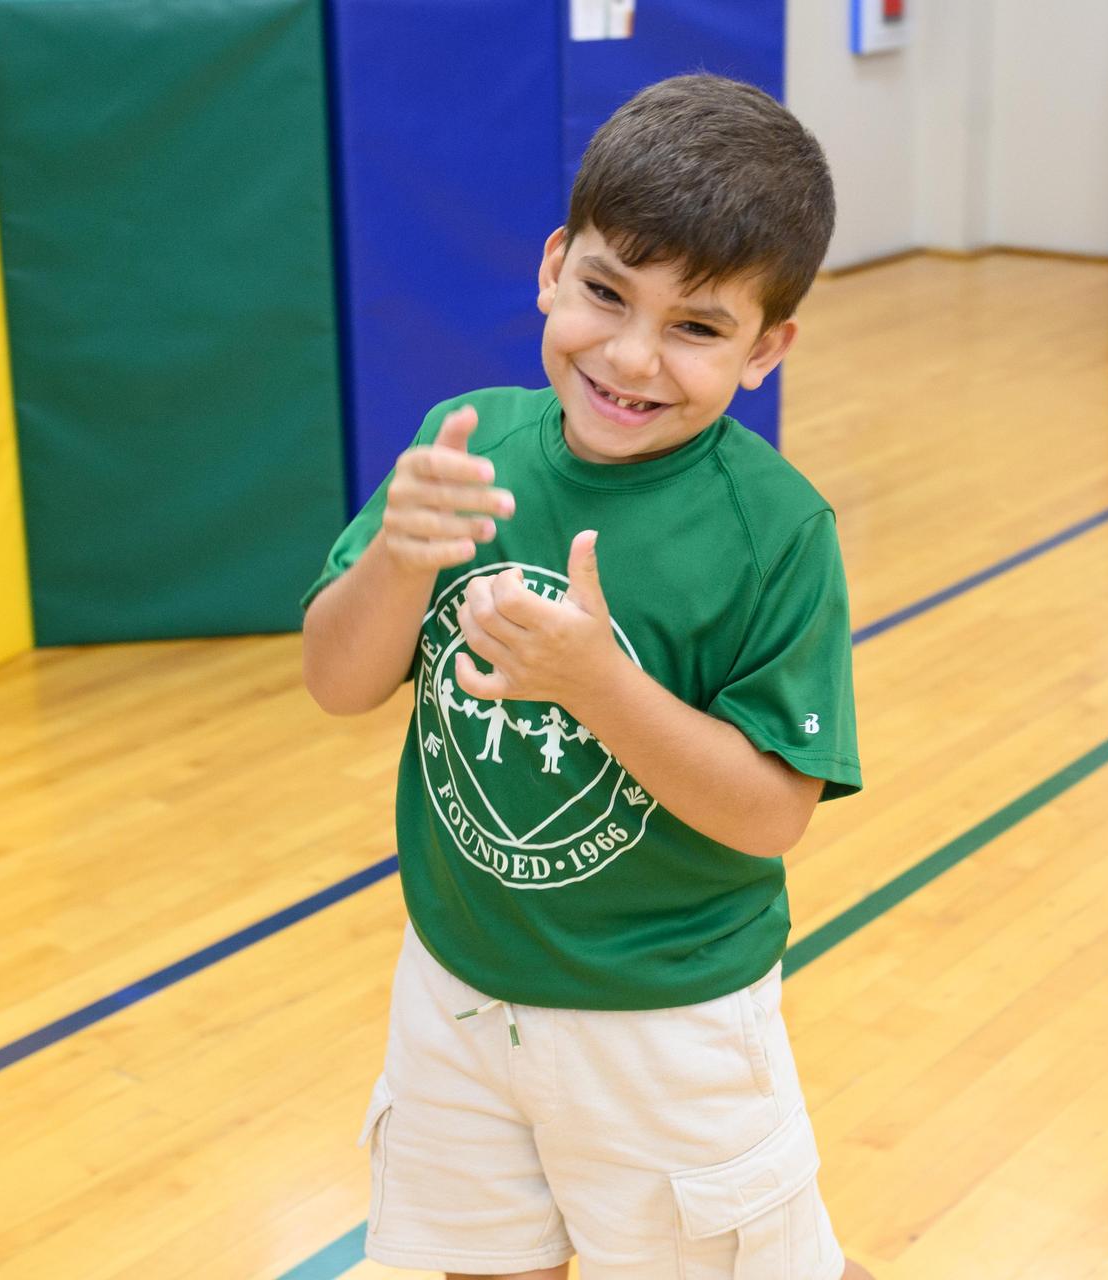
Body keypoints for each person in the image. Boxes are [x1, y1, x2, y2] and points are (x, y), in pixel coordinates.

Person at [301, 73, 871, 1280]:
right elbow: (339, 681)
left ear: (768, 349)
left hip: (667, 1025)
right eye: (606, 293)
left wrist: (594, 684)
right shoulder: (466, 446)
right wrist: (400, 562)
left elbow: (773, 811)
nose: (630, 355)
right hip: (456, 990)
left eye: (697, 327)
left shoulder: (776, 531)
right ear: (554, 263)